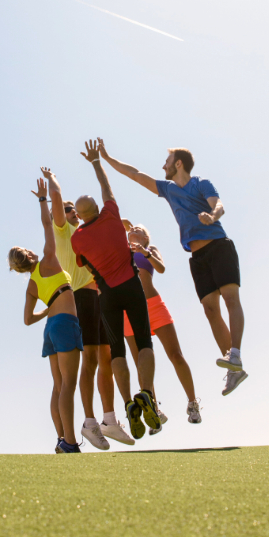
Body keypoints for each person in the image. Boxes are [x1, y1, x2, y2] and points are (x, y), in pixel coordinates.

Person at [98, 138, 248, 396]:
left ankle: (235, 354)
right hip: (197, 257)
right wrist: (108, 159)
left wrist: (211, 216)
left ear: (178, 163)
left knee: (230, 299)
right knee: (211, 310)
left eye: (167, 161)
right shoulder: (167, 189)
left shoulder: (201, 183)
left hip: (218, 246)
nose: (163, 165)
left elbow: (218, 205)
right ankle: (234, 370)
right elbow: (135, 175)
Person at [70, 140, 162, 439]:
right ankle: (146, 392)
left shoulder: (78, 239)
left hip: (106, 295)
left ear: (80, 216)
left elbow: (83, 266)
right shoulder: (110, 213)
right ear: (96, 207)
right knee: (145, 343)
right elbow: (106, 186)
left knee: (117, 351)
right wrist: (97, 162)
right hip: (132, 286)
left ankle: (127, 404)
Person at [41, 167, 135, 448]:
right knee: (90, 361)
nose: (71, 212)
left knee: (107, 357)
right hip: (80, 296)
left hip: (98, 296)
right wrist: (52, 180)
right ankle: (89, 422)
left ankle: (109, 419)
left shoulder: (85, 233)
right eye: (68, 210)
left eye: (74, 210)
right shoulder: (63, 232)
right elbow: (57, 198)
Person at [7, 176, 83, 454]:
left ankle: (61, 439)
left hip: (50, 329)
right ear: (29, 255)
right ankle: (71, 442)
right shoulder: (49, 258)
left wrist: (48, 310)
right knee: (68, 386)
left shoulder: (32, 284)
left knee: (58, 386)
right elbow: (46, 224)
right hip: (65, 324)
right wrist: (43, 199)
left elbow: (27, 319)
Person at [120, 220, 201, 434]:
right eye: (133, 229)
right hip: (129, 312)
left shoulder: (150, 250)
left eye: (140, 230)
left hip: (154, 306)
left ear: (146, 238)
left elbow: (161, 268)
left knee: (176, 355)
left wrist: (144, 251)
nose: (135, 230)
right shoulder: (122, 249)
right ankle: (153, 410)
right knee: (140, 363)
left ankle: (193, 403)